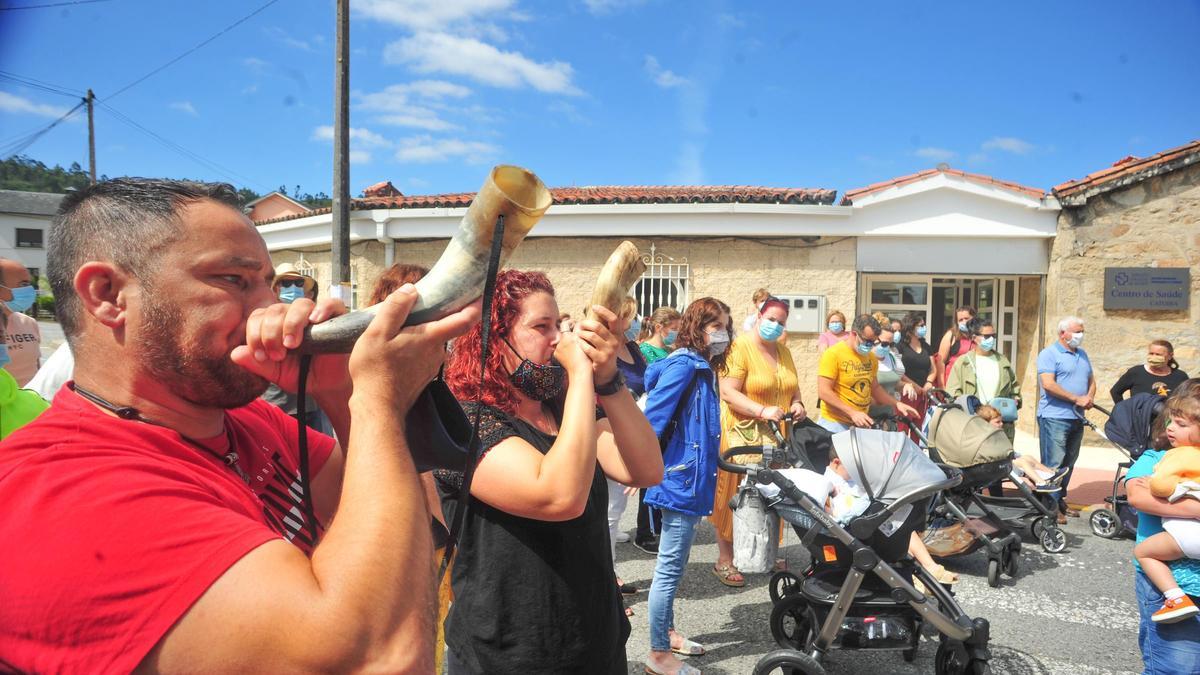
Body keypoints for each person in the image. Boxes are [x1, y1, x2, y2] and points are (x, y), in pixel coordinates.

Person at [0, 179, 471, 672]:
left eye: (269, 283)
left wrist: (341, 394)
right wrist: (380, 402)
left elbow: (391, 522)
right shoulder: (62, 493)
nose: (274, 309)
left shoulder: (248, 420)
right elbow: (381, 658)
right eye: (234, 280)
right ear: (109, 295)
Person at [435, 270, 662, 674]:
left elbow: (644, 470)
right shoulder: (463, 421)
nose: (558, 338)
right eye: (541, 327)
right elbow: (558, 496)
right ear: (491, 340)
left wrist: (608, 382)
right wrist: (579, 375)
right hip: (508, 655)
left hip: (594, 640)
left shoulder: (565, 413)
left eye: (559, 324)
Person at [642, 297, 728, 675]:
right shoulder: (684, 367)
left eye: (726, 326)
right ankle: (659, 655)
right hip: (678, 479)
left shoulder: (702, 367)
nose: (724, 334)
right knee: (669, 567)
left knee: (674, 566)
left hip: (689, 479)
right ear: (698, 328)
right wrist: (638, 467)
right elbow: (653, 420)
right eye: (717, 327)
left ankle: (669, 633)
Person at [712, 296, 804, 587]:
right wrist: (762, 410)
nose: (776, 326)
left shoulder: (784, 352)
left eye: (781, 322)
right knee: (736, 494)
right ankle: (725, 558)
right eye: (772, 319)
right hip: (743, 434)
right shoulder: (739, 348)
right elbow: (727, 391)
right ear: (759, 315)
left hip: (775, 436)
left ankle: (765, 552)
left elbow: (793, 388)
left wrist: (799, 404)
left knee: (771, 493)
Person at [1126, 379, 1200, 673]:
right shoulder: (1154, 459)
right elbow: (1138, 496)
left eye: (1180, 423)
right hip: (1176, 578)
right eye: (1171, 420)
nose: (1170, 427)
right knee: (1176, 667)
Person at [823, 444, 959, 589]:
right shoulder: (827, 483)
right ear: (837, 462)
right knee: (896, 524)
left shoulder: (848, 480)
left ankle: (928, 566)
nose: (855, 470)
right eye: (851, 466)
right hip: (855, 527)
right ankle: (925, 568)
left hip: (866, 519)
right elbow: (830, 510)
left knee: (900, 523)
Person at [816, 314, 919, 434]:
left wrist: (897, 403)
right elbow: (824, 391)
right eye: (867, 341)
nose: (870, 345)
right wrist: (852, 412)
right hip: (835, 423)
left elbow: (875, 388)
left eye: (873, 342)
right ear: (854, 334)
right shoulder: (833, 354)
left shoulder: (870, 357)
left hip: (860, 424)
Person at [260, 263, 332, 435]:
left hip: (311, 405)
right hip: (278, 406)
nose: (293, 288)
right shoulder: (264, 317)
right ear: (276, 289)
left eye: (298, 284)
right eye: (286, 283)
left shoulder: (312, 316)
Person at [1036, 315, 1096, 520]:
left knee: (1069, 462)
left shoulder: (1082, 354)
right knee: (1053, 464)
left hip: (1076, 418)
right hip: (1054, 417)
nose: (1081, 335)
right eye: (1077, 331)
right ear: (1063, 333)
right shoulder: (1049, 354)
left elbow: (1091, 380)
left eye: (1082, 331)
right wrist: (1075, 398)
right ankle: (1049, 507)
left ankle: (1060, 499)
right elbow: (1049, 384)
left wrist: (1088, 397)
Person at [946, 319, 1021, 440]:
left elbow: (1015, 387)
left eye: (993, 336)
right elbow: (952, 392)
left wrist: (1015, 400)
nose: (991, 339)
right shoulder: (963, 362)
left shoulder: (1002, 361)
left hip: (1001, 426)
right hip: (974, 425)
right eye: (987, 336)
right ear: (974, 337)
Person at [867, 313, 919, 421]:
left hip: (888, 415)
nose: (888, 348)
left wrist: (906, 386)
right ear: (875, 340)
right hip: (869, 416)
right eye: (885, 344)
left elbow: (893, 383)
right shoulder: (866, 359)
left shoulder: (891, 357)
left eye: (891, 345)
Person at [0, 257, 41, 386]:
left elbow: (36, 366)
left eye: (30, 284)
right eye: (23, 284)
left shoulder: (29, 322)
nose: (30, 290)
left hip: (30, 402)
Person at [1111, 340, 1190, 402]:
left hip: (1168, 420)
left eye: (1158, 354)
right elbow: (1115, 392)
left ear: (1170, 356)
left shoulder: (1180, 376)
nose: (1153, 357)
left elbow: (1188, 399)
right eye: (1151, 353)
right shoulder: (1136, 372)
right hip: (1140, 421)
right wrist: (1125, 412)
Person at [937, 305, 976, 387]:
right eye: (960, 320)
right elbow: (940, 362)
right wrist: (942, 386)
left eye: (966, 318)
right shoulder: (951, 335)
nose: (964, 322)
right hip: (953, 384)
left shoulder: (980, 336)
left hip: (973, 384)